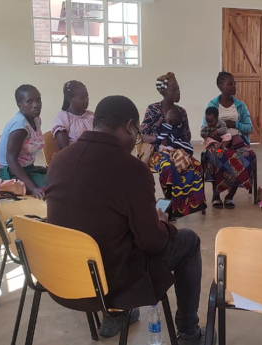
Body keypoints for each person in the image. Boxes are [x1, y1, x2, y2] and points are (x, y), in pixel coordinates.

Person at [45, 95, 208, 344]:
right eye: (138, 131)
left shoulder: (59, 160)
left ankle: (116, 316)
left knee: (103, 228)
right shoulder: (131, 169)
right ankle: (189, 332)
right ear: (129, 126)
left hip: (63, 275)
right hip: (110, 281)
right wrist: (161, 222)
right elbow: (152, 243)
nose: (137, 139)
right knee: (188, 240)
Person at [140, 72, 206, 218]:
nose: (178, 92)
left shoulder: (181, 111)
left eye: (178, 89)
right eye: (174, 89)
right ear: (163, 91)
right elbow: (143, 134)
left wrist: (177, 135)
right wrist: (159, 138)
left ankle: (192, 204)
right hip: (157, 151)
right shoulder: (153, 109)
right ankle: (169, 205)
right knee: (168, 167)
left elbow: (187, 136)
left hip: (177, 148)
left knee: (195, 165)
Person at [203, 71, 257, 209]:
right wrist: (213, 134)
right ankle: (216, 195)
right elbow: (204, 127)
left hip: (237, 143)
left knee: (248, 155)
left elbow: (249, 128)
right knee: (217, 155)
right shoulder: (212, 104)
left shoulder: (240, 106)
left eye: (235, 84)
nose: (235, 86)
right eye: (230, 84)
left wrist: (234, 124)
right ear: (221, 86)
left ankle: (230, 196)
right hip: (219, 144)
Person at [0, 84, 46, 200]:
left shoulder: (36, 120)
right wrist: (33, 188)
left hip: (27, 168)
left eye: (38, 100)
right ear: (20, 105)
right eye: (30, 101)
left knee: (59, 176)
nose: (36, 105)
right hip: (10, 172)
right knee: (54, 186)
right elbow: (11, 160)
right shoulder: (20, 127)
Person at [52, 80, 94, 150]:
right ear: (70, 99)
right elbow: (64, 150)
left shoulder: (91, 115)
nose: (86, 100)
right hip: (76, 158)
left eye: (87, 96)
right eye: (82, 98)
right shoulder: (63, 117)